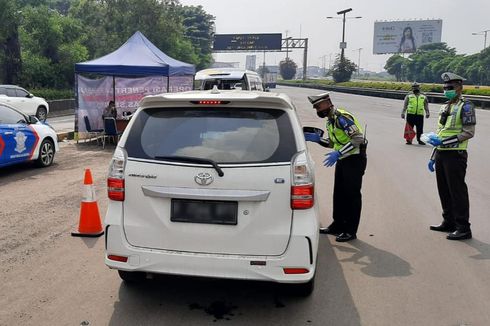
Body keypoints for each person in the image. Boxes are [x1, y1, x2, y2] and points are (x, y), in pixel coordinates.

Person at [304, 92, 367, 242]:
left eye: (318, 106)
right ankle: (338, 224)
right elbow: (333, 143)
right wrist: (318, 140)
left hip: (354, 159)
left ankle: (351, 231)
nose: (317, 110)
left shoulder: (342, 118)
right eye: (315, 108)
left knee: (352, 196)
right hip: (343, 159)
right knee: (339, 194)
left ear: (327, 103)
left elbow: (358, 138)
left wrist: (338, 153)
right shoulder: (330, 121)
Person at [426, 72, 476, 240]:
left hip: (456, 154)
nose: (446, 90)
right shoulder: (445, 106)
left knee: (457, 191)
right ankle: (449, 222)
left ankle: (463, 227)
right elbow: (441, 132)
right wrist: (433, 156)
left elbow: (468, 133)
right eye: (445, 87)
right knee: (444, 190)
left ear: (459, 88)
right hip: (442, 153)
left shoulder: (466, 105)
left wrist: (444, 142)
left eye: (450, 87)